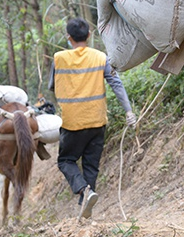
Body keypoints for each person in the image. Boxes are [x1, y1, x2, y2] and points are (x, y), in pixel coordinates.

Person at [48, 17, 136, 219]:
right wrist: (129, 111)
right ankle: (85, 208)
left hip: (72, 122)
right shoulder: (100, 57)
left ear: (68, 38)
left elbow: (53, 86)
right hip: (97, 121)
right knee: (91, 165)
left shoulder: (59, 58)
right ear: (89, 35)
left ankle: (82, 192)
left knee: (66, 161)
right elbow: (116, 84)